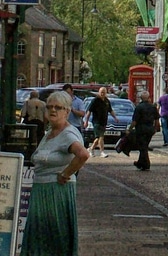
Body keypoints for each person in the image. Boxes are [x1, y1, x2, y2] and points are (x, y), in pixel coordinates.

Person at [20, 90, 89, 256]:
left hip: (55, 193)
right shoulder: (50, 133)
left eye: (58, 107)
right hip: (42, 190)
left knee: (52, 242)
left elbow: (83, 155)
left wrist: (65, 174)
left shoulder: (68, 133)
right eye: (49, 106)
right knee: (39, 241)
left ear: (67, 111)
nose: (52, 110)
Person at [83, 87, 116, 158]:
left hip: (104, 122)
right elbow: (89, 111)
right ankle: (102, 152)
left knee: (98, 138)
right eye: (101, 92)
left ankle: (91, 149)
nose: (102, 94)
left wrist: (115, 118)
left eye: (104, 92)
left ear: (106, 93)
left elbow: (110, 110)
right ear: (99, 92)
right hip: (96, 122)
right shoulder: (95, 100)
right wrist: (86, 121)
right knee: (101, 137)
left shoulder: (107, 101)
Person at [131, 91, 159, 171]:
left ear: (141, 98)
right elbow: (157, 120)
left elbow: (134, 121)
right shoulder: (153, 107)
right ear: (148, 97)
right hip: (150, 129)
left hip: (141, 129)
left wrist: (129, 129)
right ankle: (140, 163)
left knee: (143, 147)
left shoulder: (139, 107)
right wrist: (155, 129)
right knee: (144, 146)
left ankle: (146, 164)